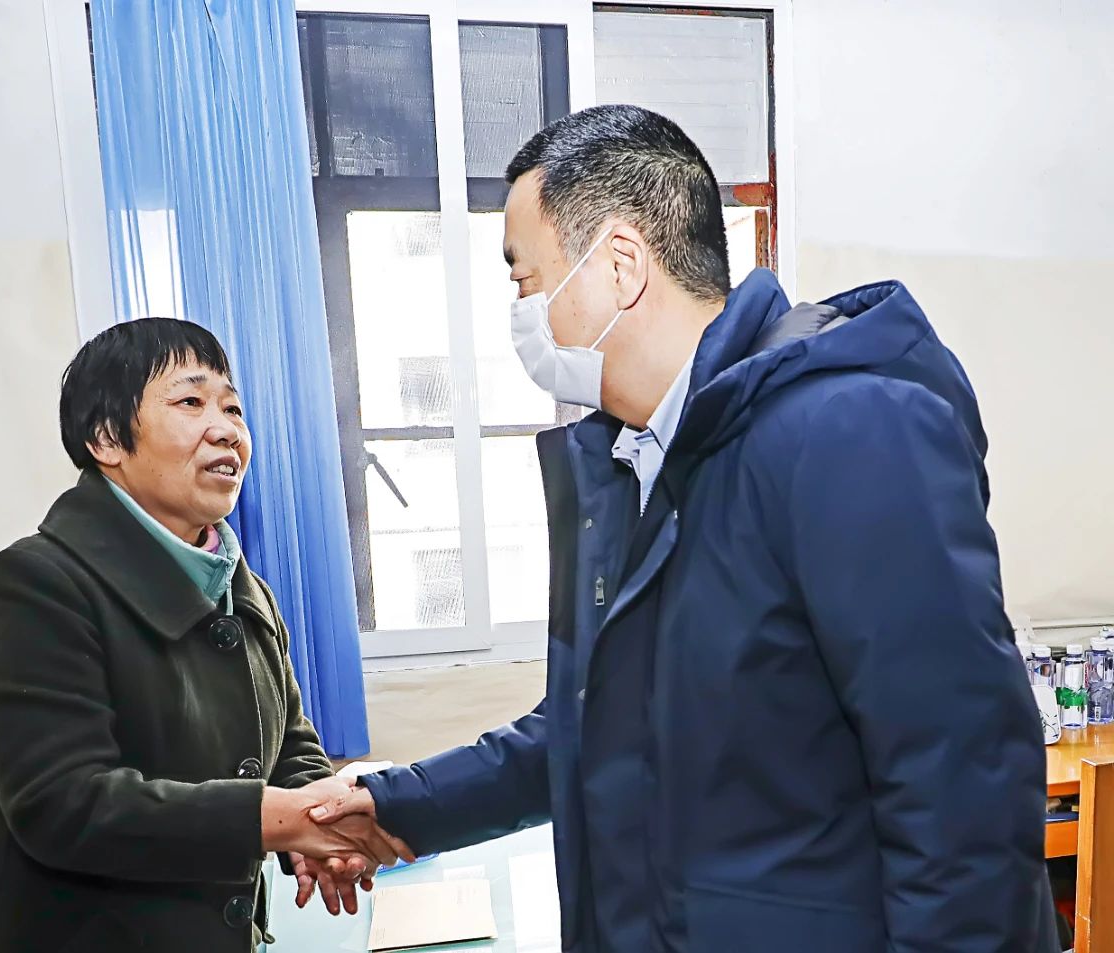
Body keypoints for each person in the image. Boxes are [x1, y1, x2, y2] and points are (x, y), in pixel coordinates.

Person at [309, 106, 1056, 952]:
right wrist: (395, 802)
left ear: (619, 264)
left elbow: (962, 793)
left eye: (525, 279)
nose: (521, 312)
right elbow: (590, 728)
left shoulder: (846, 431)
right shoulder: (633, 466)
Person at [0, 319, 408, 953]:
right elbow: (65, 805)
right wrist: (282, 820)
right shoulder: (38, 583)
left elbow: (288, 741)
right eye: (191, 402)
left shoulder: (240, 583)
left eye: (232, 408)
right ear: (107, 439)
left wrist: (320, 821)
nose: (226, 430)